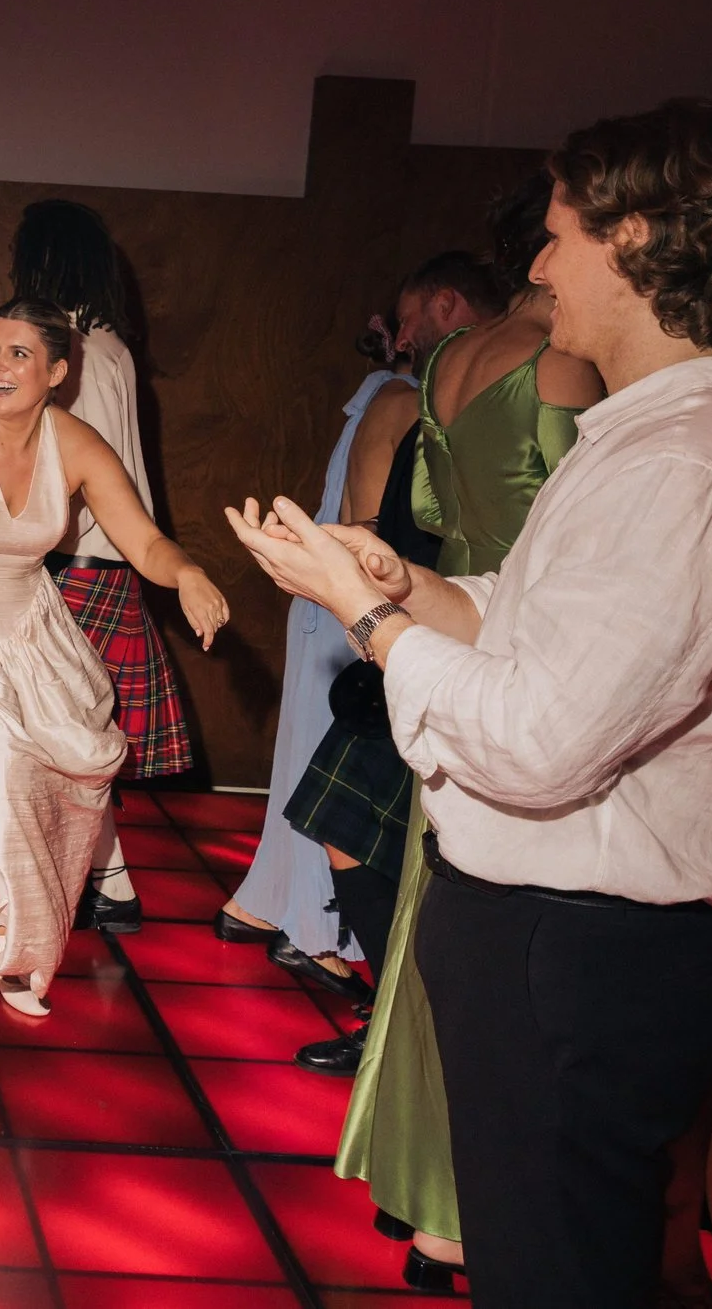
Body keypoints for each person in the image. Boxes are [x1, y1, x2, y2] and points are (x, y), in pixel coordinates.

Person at [230, 97, 712, 1309]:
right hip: (568, 939)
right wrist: (411, 583)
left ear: (643, 242)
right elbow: (540, 616)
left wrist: (372, 621)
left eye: (559, 236)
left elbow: (542, 738)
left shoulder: (684, 463)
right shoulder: (654, 437)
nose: (540, 268)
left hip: (579, 945)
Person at [321, 179, 605, 1287]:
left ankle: (429, 1198)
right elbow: (581, 517)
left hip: (449, 628)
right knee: (522, 945)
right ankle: (470, 1205)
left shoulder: (447, 361)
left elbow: (434, 519)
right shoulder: (573, 369)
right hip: (538, 639)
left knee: (435, 923)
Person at [0, 300, 229, 1016]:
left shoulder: (79, 444)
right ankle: (8, 947)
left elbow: (145, 541)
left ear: (58, 372)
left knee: (68, 755)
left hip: (29, 626)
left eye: (19, 354)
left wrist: (187, 573)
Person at [221, 252, 498, 990]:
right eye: (402, 323)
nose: (405, 334)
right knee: (330, 783)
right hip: (359, 599)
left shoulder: (402, 393)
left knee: (317, 776)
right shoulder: (402, 398)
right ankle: (313, 927)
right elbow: (364, 523)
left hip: (374, 599)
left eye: (407, 320)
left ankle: (292, 913)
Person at [5, 201, 216, 936]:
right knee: (66, 739)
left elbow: (70, 472)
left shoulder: (72, 349)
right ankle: (113, 885)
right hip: (106, 562)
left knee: (51, 739)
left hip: (77, 562)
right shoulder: (111, 344)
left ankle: (79, 888)